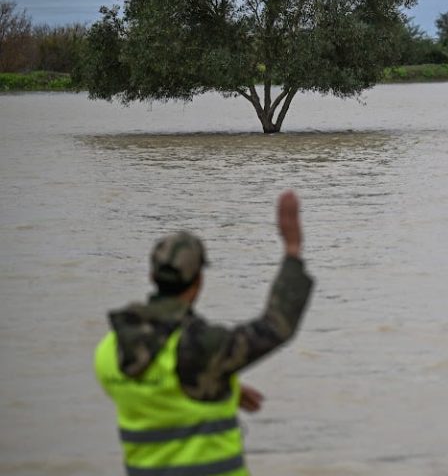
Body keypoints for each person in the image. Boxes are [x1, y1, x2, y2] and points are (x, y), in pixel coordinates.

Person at [94, 191, 314, 476]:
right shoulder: (201, 348)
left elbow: (162, 394)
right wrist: (292, 251)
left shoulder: (109, 351)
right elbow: (276, 326)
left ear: (151, 277)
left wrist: (223, 385)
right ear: (199, 280)